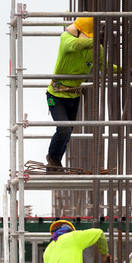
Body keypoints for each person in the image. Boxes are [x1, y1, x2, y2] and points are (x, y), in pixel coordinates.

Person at [45, 17, 101, 171]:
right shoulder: (66, 38)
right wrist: (95, 41)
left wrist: (126, 71)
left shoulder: (95, 49)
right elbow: (76, 45)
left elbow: (105, 65)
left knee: (68, 132)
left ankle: (53, 166)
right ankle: (53, 159)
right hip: (56, 95)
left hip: (74, 96)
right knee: (63, 128)